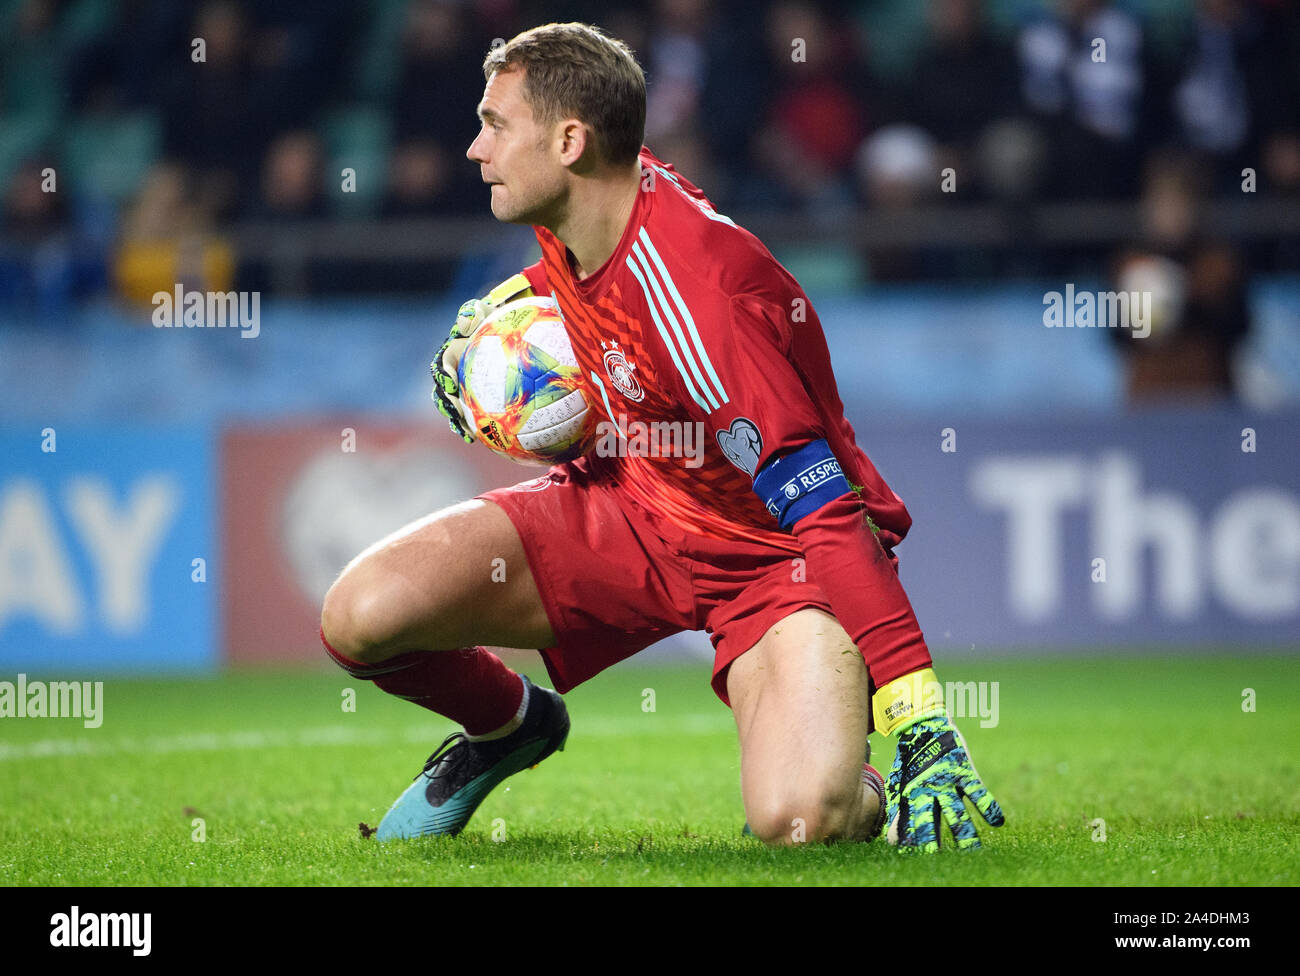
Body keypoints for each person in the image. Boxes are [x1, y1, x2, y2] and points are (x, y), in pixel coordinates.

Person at [320, 22, 1003, 851]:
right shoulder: (579, 207)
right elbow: (600, 289)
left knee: (799, 819)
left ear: (570, 141)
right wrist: (500, 338)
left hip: (770, 567)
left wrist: (919, 716)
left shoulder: (703, 304)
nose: (474, 147)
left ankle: (869, 786)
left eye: (495, 124)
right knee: (360, 615)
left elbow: (825, 514)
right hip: (633, 511)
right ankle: (509, 726)